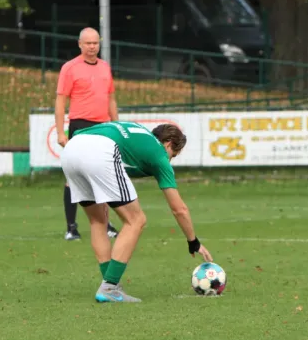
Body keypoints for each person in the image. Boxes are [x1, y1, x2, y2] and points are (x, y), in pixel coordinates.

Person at [60, 121, 213, 303]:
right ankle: (109, 287)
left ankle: (110, 285)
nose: (170, 159)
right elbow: (179, 209)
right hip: (99, 151)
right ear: (168, 144)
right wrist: (193, 242)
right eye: (173, 154)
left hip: (71, 149)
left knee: (98, 220)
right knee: (136, 220)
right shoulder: (159, 154)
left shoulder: (138, 134)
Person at [55, 27, 119, 240]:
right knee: (74, 177)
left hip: (103, 126)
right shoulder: (70, 68)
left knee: (104, 175)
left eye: (95, 43)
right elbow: (61, 100)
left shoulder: (105, 67)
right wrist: (60, 131)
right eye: (88, 43)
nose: (92, 47)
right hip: (80, 126)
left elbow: (110, 98)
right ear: (80, 44)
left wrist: (116, 126)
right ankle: (71, 227)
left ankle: (106, 223)